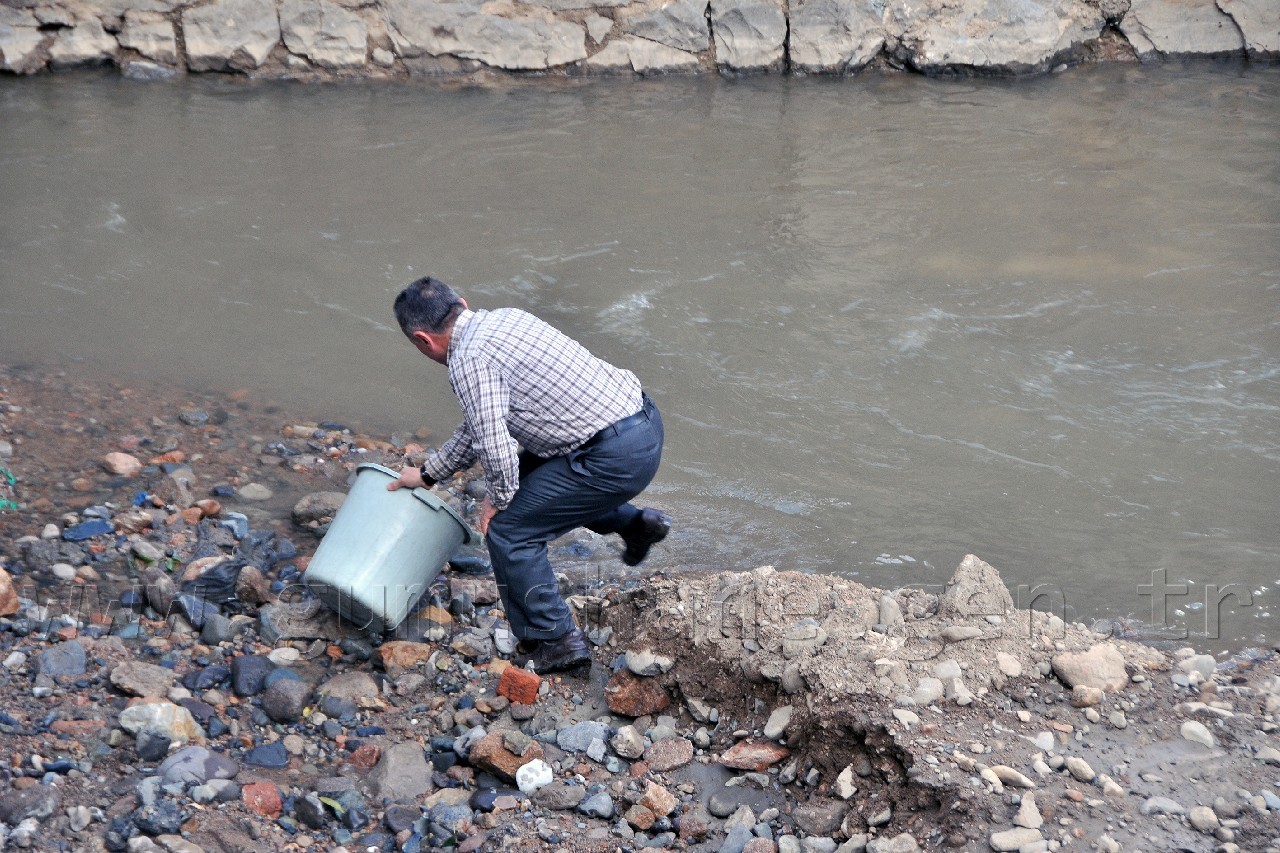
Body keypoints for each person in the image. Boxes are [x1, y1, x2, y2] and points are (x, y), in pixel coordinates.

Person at [387, 276, 670, 673]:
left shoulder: (468, 361)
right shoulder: (506, 318)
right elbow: (477, 427)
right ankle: (637, 525)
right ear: (462, 304)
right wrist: (429, 475)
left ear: (422, 339)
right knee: (540, 486)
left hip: (611, 458)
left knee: (510, 530)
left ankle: (557, 639)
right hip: (643, 426)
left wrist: (497, 502)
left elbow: (495, 447)